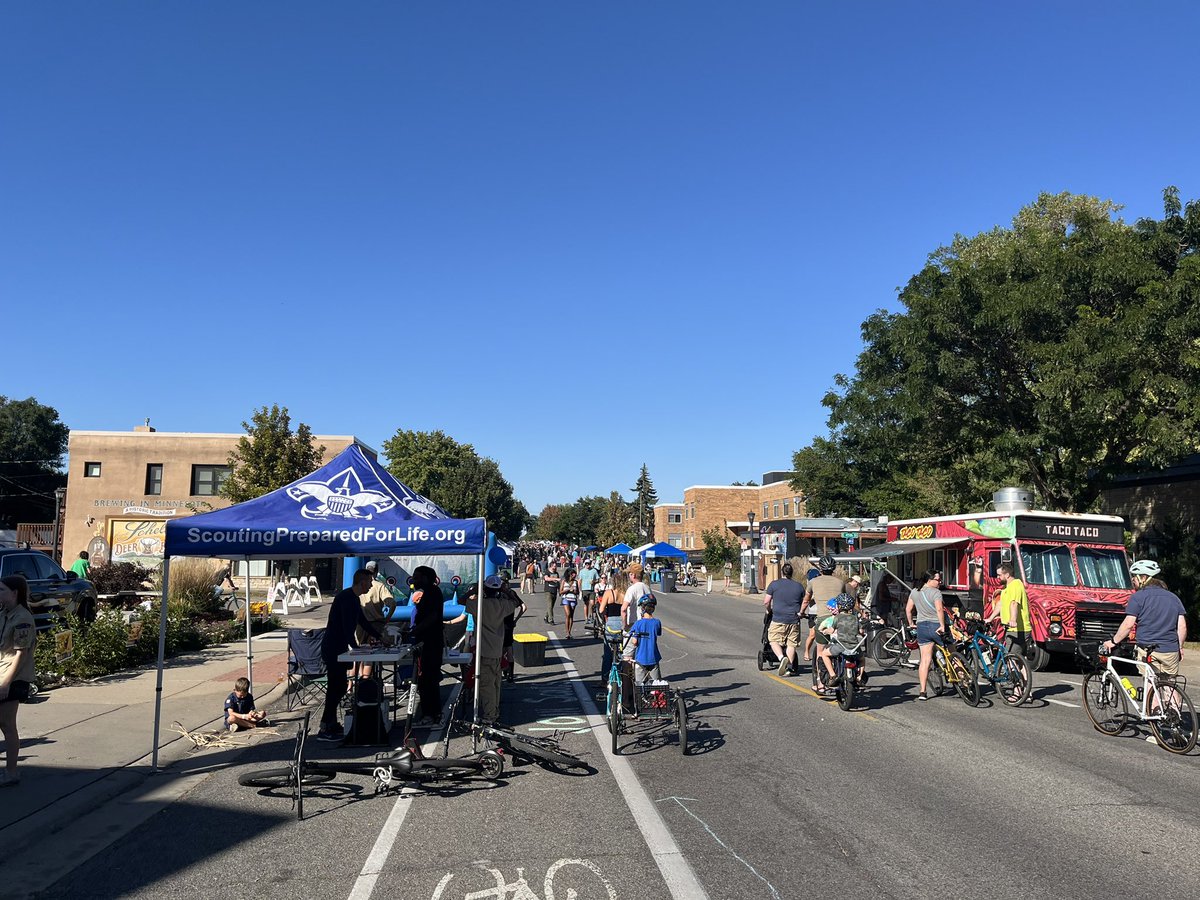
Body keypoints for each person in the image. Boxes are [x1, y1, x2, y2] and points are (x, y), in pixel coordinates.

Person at [317, 568, 382, 741]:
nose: (371, 586)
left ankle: (331, 722)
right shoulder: (345, 598)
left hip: (340, 648)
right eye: (369, 582)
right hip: (333, 647)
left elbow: (362, 621)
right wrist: (355, 647)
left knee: (339, 686)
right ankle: (325, 726)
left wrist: (379, 636)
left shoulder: (354, 598)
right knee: (335, 687)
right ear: (362, 583)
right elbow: (346, 626)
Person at [1103, 559, 1187, 675]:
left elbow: (1128, 625)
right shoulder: (1174, 598)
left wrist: (1114, 641)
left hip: (1147, 649)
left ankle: (1150, 687)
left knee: (1149, 679)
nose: (1133, 580)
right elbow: (1182, 626)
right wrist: (1180, 647)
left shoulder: (1138, 597)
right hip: (1170, 650)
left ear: (1143, 578)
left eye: (1134, 577)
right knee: (1169, 682)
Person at [472, 575, 525, 723]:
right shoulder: (503, 604)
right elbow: (517, 603)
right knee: (495, 682)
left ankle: (490, 715)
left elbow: (462, 601)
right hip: (497, 647)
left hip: (484, 649)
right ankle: (494, 711)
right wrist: (506, 591)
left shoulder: (479, 604)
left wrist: (475, 590)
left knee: (486, 684)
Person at [0, 575, 35, 787]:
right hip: (1, 671)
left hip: (13, 677)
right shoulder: (4, 614)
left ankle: (11, 772)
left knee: (7, 725)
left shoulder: (23, 618)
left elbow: (21, 654)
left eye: (1, 590)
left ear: (14, 593)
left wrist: (6, 683)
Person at [409, 565, 446, 727]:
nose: (414, 580)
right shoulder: (428, 592)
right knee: (426, 680)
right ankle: (432, 713)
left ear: (425, 578)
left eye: (416, 577)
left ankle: (431, 715)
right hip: (426, 641)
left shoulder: (432, 592)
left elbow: (432, 617)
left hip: (430, 642)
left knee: (427, 679)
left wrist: (415, 630)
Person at [906, 569, 946, 701]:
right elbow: (939, 609)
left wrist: (911, 623)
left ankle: (922, 691)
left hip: (922, 627)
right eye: (938, 580)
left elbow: (908, 609)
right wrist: (942, 625)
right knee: (952, 650)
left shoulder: (914, 591)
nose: (940, 582)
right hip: (936, 626)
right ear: (929, 580)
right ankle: (963, 680)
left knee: (924, 660)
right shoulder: (936, 592)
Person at [801, 556, 844, 666]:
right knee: (843, 645)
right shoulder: (840, 582)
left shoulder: (813, 582)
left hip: (823, 619)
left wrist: (801, 612)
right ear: (833, 569)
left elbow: (806, 601)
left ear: (820, 568)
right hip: (839, 619)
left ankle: (820, 675)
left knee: (820, 650)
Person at [764, 562, 804, 677]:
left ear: (781, 572)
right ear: (792, 573)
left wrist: (769, 610)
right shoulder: (799, 586)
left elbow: (766, 601)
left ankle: (782, 658)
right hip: (794, 619)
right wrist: (801, 613)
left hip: (778, 618)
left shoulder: (774, 584)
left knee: (773, 639)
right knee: (791, 644)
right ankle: (789, 667)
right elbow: (802, 602)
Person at [989, 563, 1032, 658]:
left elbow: (1014, 603)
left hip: (1018, 630)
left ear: (1007, 575)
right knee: (1015, 659)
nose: (997, 577)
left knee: (1010, 658)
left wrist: (1013, 619)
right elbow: (1000, 604)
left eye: (999, 575)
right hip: (1011, 629)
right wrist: (990, 618)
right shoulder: (1006, 588)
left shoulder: (1016, 584)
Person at [625, 596, 663, 685]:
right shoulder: (657, 622)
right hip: (654, 657)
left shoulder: (638, 624)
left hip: (641, 658)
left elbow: (634, 642)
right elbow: (658, 633)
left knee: (639, 685)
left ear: (642, 608)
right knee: (656, 684)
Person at [559, 568, 580, 638]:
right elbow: (560, 592)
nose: (575, 575)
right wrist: (567, 590)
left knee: (571, 615)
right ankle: (567, 632)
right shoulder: (564, 581)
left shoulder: (575, 582)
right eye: (574, 574)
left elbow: (578, 592)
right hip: (566, 598)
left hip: (573, 599)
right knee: (567, 614)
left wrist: (574, 591)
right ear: (570, 574)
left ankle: (569, 631)